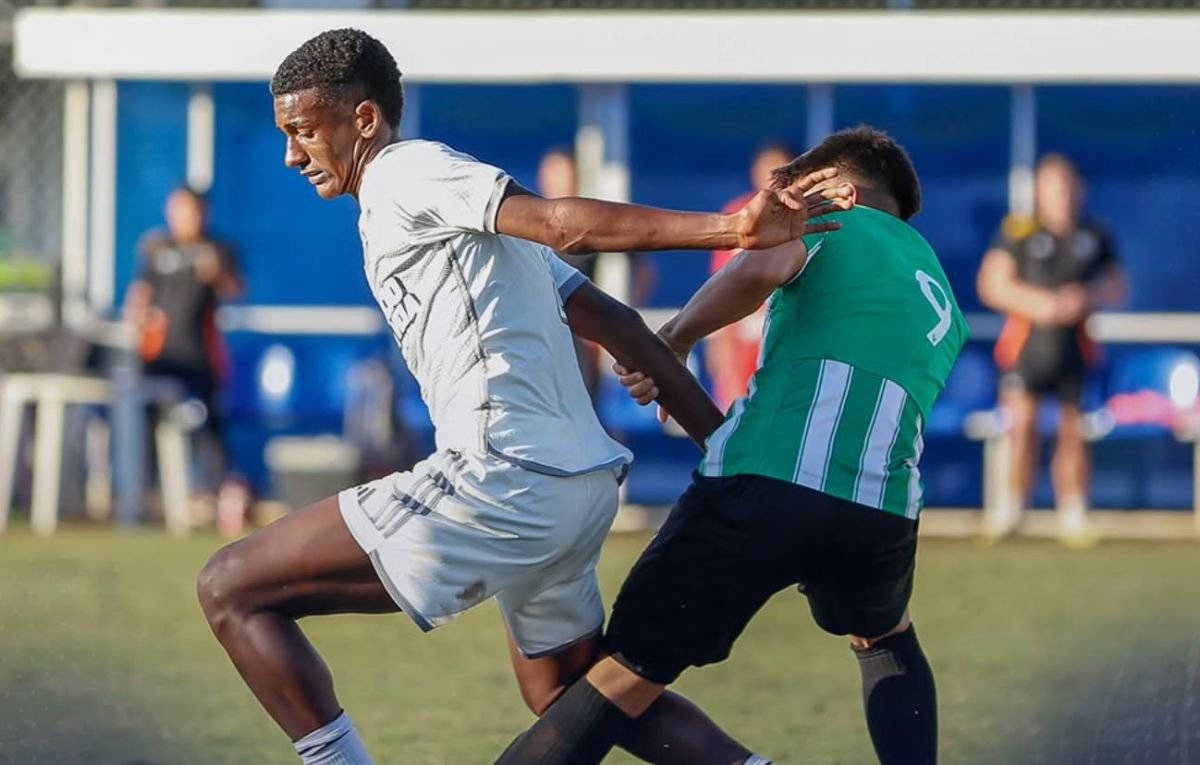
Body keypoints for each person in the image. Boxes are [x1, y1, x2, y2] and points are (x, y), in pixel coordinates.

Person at [195, 28, 849, 765]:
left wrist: (732, 229)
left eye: (305, 131)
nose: (292, 154)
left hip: (503, 477)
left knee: (230, 587)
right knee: (571, 693)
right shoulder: (450, 214)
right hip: (577, 488)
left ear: (365, 118)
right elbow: (614, 322)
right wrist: (728, 453)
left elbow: (561, 224)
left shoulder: (406, 174)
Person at [492, 127, 969, 765]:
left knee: (620, 677)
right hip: (883, 510)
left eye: (797, 188)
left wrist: (675, 338)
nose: (782, 207)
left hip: (768, 481)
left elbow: (764, 264)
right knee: (884, 637)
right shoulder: (937, 288)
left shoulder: (831, 222)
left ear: (841, 190)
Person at [977, 154, 1125, 545]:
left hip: (1075, 348)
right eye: (1053, 188)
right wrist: (1039, 304)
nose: (1062, 196)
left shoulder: (1095, 234)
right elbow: (992, 284)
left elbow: (1116, 286)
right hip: (1027, 349)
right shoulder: (1019, 230)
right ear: (1040, 192)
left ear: (1080, 190)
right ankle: (1011, 511)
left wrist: (1085, 297)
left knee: (1073, 431)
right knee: (1022, 427)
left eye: (1068, 188)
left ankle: (1073, 514)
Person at [124, 185, 244, 524]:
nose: (184, 217)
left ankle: (213, 496)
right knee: (147, 425)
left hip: (200, 357)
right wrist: (137, 319)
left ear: (203, 213)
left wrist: (216, 273)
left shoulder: (217, 249)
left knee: (208, 427)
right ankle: (145, 496)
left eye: (190, 210)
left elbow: (236, 290)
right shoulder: (156, 247)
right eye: (178, 209)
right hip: (159, 357)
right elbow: (141, 293)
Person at [707, 142, 794, 410]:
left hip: (786, 335)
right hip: (742, 339)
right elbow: (719, 285)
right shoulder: (738, 214)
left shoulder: (804, 217)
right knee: (737, 412)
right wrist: (716, 340)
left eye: (778, 169)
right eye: (766, 169)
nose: (771, 177)